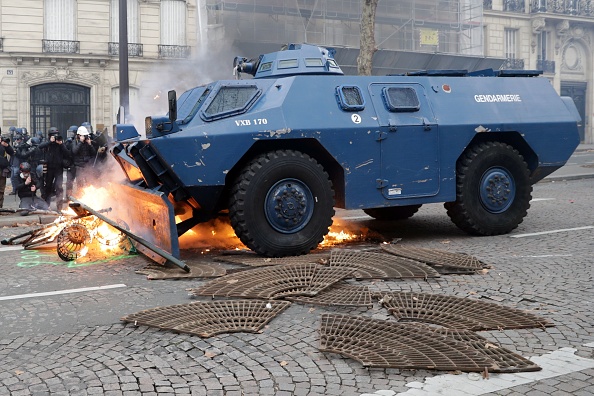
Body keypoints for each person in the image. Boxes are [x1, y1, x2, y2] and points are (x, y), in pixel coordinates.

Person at [38, 128, 70, 210]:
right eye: (53, 135)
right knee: (48, 186)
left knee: (59, 186)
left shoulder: (60, 144)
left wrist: (61, 144)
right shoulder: (48, 143)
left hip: (59, 168)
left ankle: (59, 207)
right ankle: (46, 205)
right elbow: (40, 147)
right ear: (49, 136)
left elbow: (68, 154)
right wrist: (50, 142)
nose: (55, 137)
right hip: (49, 168)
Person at [71, 125, 97, 191]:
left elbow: (94, 153)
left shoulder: (87, 142)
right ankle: (79, 196)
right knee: (80, 184)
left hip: (87, 165)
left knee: (89, 182)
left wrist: (90, 144)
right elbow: (74, 151)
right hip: (79, 166)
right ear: (79, 135)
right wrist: (80, 142)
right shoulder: (75, 142)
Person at [0, 134, 15, 208]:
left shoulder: (2, 145)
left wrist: (7, 146)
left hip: (2, 170)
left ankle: (0, 206)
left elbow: (12, 153)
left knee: (1, 189)